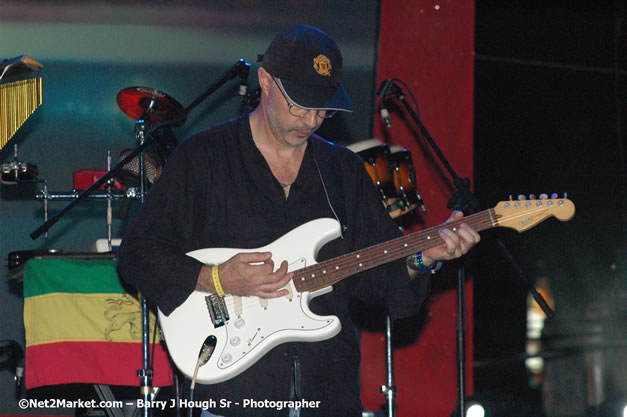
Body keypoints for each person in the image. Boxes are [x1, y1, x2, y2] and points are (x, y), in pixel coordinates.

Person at [117, 25, 480, 417]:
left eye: (322, 108)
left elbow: (379, 286)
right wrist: (217, 278)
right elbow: (137, 255)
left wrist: (423, 259)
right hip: (236, 393)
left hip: (327, 390)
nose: (311, 120)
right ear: (266, 81)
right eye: (300, 105)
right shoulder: (205, 157)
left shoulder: (343, 170)